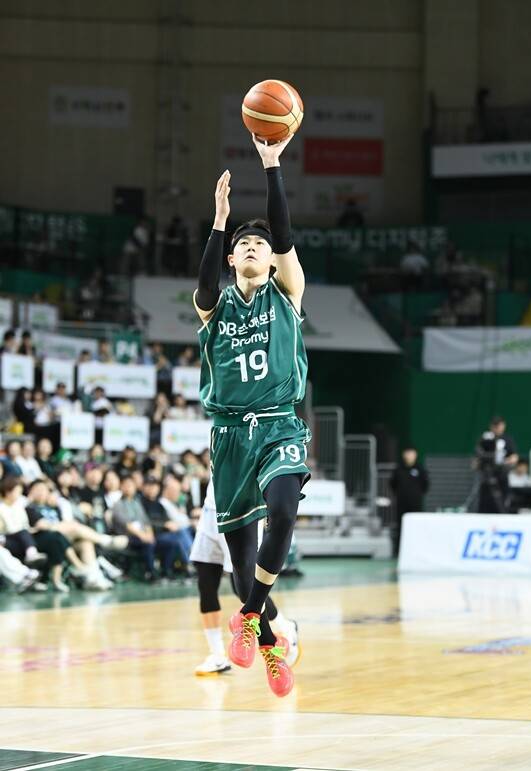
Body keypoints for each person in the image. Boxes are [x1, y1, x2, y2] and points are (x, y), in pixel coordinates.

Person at [193, 134, 310, 697]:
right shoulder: (214, 311)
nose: (253, 248)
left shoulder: (286, 293)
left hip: (278, 422)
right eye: (244, 245)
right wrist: (220, 222)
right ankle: (267, 644)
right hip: (229, 437)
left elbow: (282, 234)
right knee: (239, 567)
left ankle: (251, 613)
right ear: (232, 258)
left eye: (260, 245)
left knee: (284, 509)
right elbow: (203, 286)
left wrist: (271, 166)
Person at [190, 479, 299, 676]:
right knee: (205, 581)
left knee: (243, 586)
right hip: (211, 509)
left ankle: (285, 627)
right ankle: (217, 655)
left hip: (241, 508)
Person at [389, 447, 430, 558]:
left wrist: (416, 495)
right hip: (401, 504)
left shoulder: (420, 469)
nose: (409, 455)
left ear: (415, 455)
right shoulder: (398, 469)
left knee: (416, 526)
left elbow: (425, 485)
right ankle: (398, 551)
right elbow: (392, 484)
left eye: (411, 453)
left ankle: (416, 550)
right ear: (404, 455)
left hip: (415, 504)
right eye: (407, 453)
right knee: (401, 526)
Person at [475, 416, 518, 514]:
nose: (497, 428)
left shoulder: (507, 440)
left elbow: (514, 456)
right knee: (485, 500)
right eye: (495, 426)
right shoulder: (485, 439)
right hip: (487, 475)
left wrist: (506, 461)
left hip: (502, 475)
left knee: (501, 501)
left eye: (499, 425)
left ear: (503, 426)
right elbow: (478, 454)